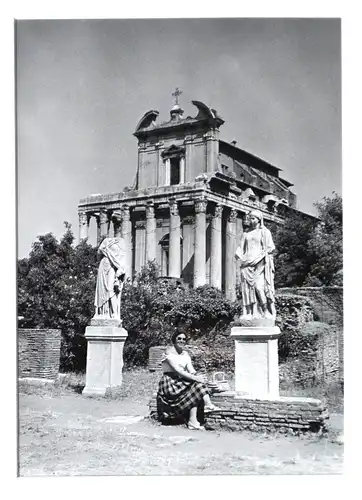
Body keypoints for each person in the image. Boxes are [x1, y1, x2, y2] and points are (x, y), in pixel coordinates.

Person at [157, 332, 220, 430]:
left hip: (181, 381)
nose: (181, 341)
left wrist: (201, 377)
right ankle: (199, 414)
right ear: (174, 339)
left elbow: (191, 370)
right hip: (170, 383)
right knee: (195, 385)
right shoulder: (168, 352)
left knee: (197, 386)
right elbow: (178, 370)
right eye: (179, 338)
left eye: (183, 339)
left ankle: (198, 416)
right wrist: (196, 378)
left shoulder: (185, 354)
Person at [235, 209, 275, 319]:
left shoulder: (264, 232)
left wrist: (260, 257)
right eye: (250, 218)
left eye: (253, 219)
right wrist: (239, 256)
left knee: (258, 286)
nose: (251, 221)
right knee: (246, 289)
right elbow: (240, 248)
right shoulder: (245, 234)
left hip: (260, 261)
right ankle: (248, 312)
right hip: (246, 263)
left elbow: (270, 248)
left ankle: (265, 310)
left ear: (259, 220)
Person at [94, 237, 127, 320]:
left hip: (112, 267)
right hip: (103, 265)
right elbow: (99, 253)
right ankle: (102, 313)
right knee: (101, 290)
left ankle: (114, 313)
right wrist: (106, 252)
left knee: (110, 289)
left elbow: (121, 261)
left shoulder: (121, 243)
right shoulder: (106, 241)